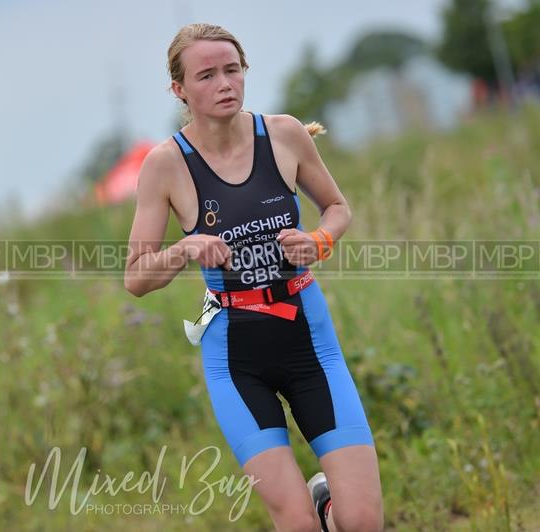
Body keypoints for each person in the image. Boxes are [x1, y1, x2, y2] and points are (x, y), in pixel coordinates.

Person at [123, 23, 383, 532]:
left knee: (363, 522)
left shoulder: (283, 134)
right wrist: (184, 248)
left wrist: (319, 241)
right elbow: (136, 277)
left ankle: (331, 507)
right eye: (206, 75)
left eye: (232, 70)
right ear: (180, 89)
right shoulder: (165, 165)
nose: (224, 83)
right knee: (297, 524)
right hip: (235, 359)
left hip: (310, 344)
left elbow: (336, 207)